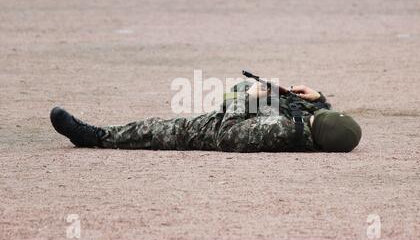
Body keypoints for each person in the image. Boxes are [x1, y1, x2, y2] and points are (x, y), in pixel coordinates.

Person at [50, 81, 362, 152]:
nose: (314, 114)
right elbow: (325, 117)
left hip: (209, 130)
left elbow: (227, 135)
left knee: (156, 129)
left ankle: (95, 137)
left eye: (317, 116)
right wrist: (318, 98)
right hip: (247, 114)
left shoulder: (282, 132)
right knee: (242, 86)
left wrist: (247, 99)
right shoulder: (316, 125)